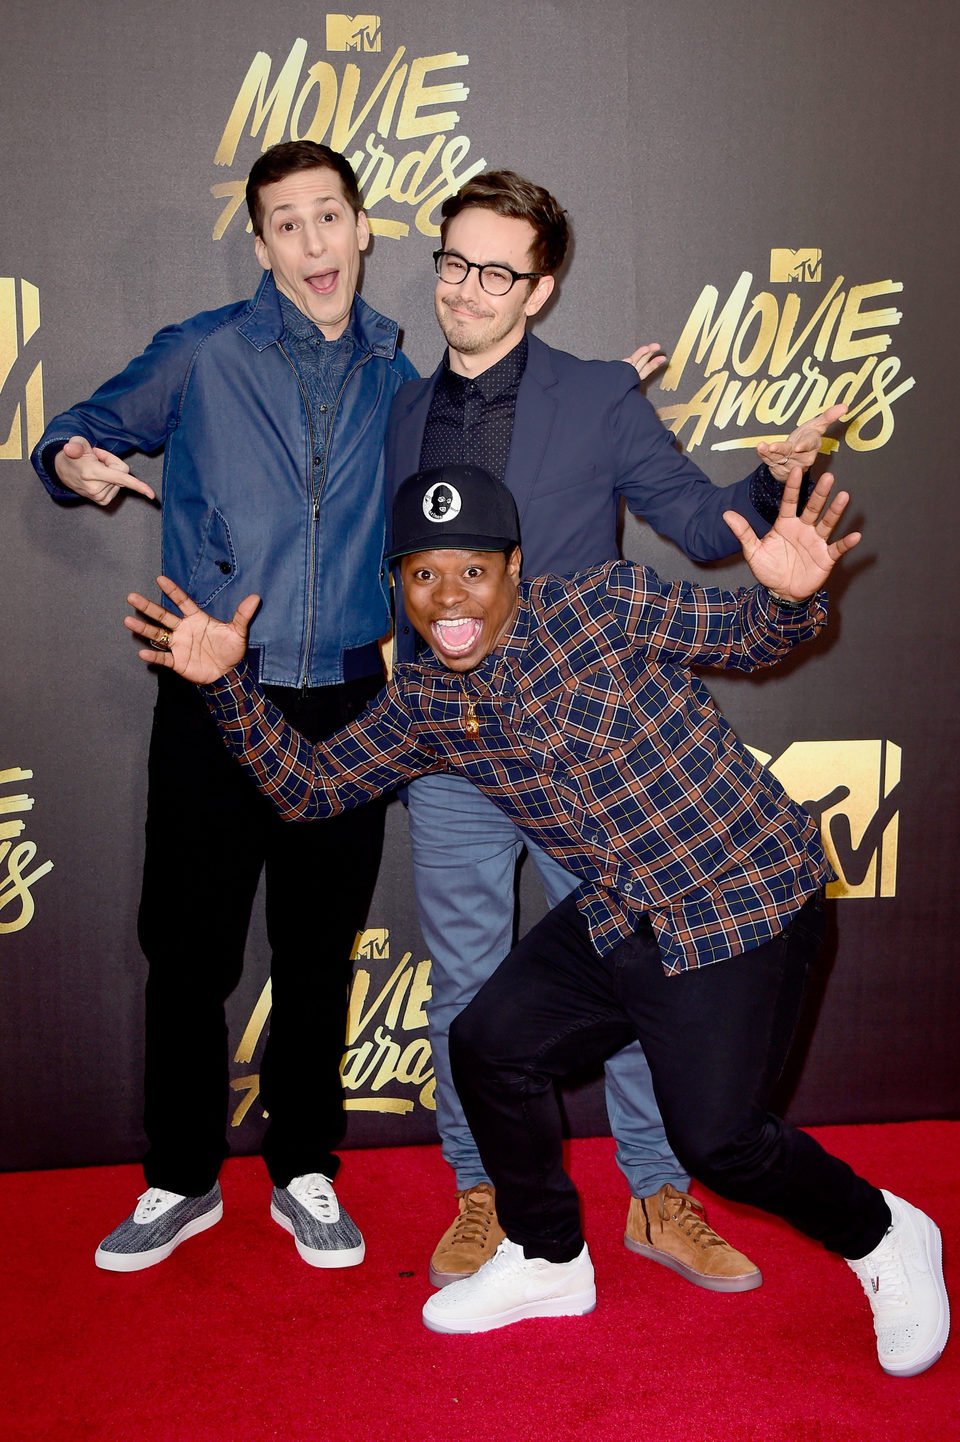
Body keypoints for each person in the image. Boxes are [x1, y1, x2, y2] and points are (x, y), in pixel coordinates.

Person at [122, 464, 949, 1378]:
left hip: (744, 896)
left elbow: (749, 636)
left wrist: (789, 601)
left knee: (720, 1144)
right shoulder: (427, 701)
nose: (448, 599)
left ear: (515, 566)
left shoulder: (603, 604)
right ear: (398, 585)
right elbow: (311, 788)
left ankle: (883, 1235)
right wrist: (229, 690)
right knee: (489, 1042)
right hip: (625, 910)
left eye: (471, 570)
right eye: (423, 575)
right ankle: (550, 1258)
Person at [384, 169, 847, 1287]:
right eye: (455, 262)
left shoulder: (597, 397)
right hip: (451, 748)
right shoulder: (397, 404)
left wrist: (771, 478)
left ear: (538, 288)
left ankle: (657, 1192)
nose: (468, 289)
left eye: (497, 271)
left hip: (586, 756)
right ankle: (484, 1192)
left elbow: (695, 522)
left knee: (643, 967)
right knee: (465, 983)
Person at [30, 140, 417, 1272]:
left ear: (360, 231)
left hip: (347, 696)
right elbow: (77, 433)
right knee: (188, 952)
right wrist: (77, 459)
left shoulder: (399, 376)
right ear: (261, 245)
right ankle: (182, 1175)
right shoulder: (201, 351)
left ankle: (303, 1165)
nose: (311, 243)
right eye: (285, 224)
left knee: (317, 950)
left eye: (328, 218)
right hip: (212, 687)